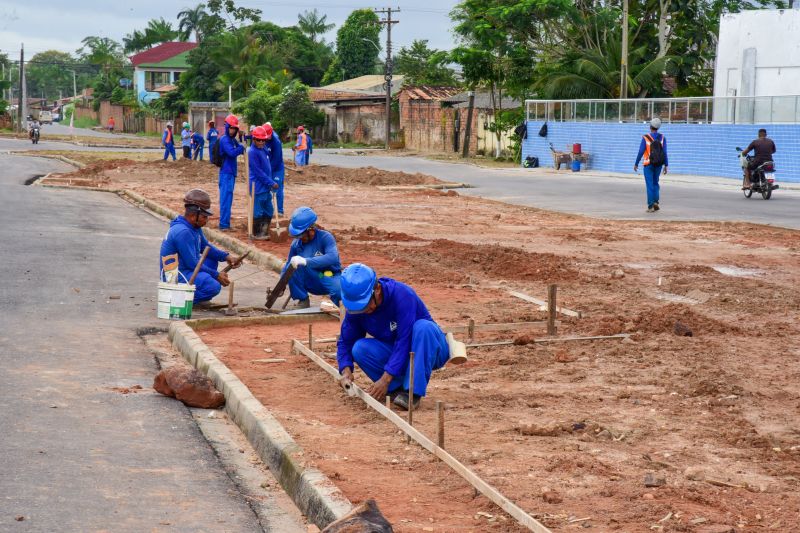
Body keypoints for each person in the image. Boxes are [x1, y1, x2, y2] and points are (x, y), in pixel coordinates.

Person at [336, 263, 450, 411]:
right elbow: (346, 341)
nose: (364, 310)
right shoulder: (357, 309)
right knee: (359, 349)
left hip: (428, 348)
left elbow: (404, 340)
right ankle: (396, 389)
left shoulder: (402, 296)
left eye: (365, 305)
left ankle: (412, 392)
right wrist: (345, 370)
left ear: (377, 290)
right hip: (398, 352)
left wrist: (385, 379)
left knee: (423, 328)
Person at [159, 189, 241, 303]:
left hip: (186, 269)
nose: (206, 220)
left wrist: (227, 257)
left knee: (211, 259)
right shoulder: (183, 232)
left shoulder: (193, 227)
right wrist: (216, 275)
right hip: (174, 277)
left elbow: (205, 247)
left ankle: (192, 291)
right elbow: (192, 264)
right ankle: (177, 298)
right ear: (193, 216)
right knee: (213, 287)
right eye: (204, 217)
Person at [280, 207, 342, 308]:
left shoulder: (326, 237)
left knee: (340, 293)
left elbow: (332, 257)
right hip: (311, 279)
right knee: (293, 266)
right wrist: (281, 285)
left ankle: (337, 305)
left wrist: (305, 261)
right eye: (298, 236)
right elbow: (288, 265)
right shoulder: (296, 244)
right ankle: (303, 300)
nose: (300, 239)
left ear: (311, 229)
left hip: (330, 276)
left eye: (302, 235)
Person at [248, 126, 279, 239]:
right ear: (254, 139)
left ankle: (264, 231)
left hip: (266, 186)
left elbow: (267, 166)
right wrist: (271, 182)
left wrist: (270, 182)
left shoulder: (264, 149)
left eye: (263, 140)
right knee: (258, 211)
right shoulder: (252, 152)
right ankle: (257, 233)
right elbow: (258, 172)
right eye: (258, 140)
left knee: (269, 209)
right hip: (257, 186)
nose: (261, 142)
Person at [634, 117, 669, 213]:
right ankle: (656, 202)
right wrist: (666, 165)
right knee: (655, 183)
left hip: (648, 164)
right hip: (659, 164)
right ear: (658, 127)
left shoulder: (645, 137)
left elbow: (641, 151)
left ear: (650, 126)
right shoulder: (662, 138)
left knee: (649, 185)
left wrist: (636, 163)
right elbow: (665, 152)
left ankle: (650, 206)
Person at [217, 114, 245, 231]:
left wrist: (242, 141)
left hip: (231, 173)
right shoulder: (224, 140)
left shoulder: (233, 140)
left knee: (229, 198)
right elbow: (232, 153)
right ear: (227, 127)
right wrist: (241, 148)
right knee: (225, 199)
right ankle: (224, 225)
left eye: (235, 128)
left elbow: (240, 148)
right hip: (226, 173)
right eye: (231, 128)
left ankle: (226, 223)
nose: (233, 130)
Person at [263, 122, 286, 216]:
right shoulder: (262, 138)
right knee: (267, 189)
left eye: (269, 136)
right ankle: (268, 210)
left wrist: (269, 171)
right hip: (268, 167)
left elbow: (277, 159)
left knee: (277, 188)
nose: (267, 138)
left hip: (277, 168)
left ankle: (280, 211)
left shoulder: (276, 141)